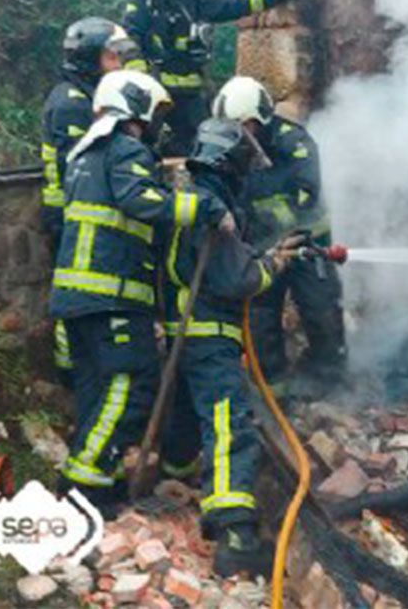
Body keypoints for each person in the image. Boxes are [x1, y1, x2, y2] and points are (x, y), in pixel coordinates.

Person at [51, 70, 232, 513]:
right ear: (137, 105)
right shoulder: (125, 148)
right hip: (111, 296)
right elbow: (141, 201)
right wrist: (204, 206)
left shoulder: (83, 154)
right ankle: (84, 489)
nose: (157, 122)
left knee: (97, 392)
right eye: (156, 111)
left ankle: (101, 477)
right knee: (128, 384)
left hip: (78, 299)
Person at [157, 117, 303, 576]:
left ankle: (174, 477)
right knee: (227, 423)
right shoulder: (213, 208)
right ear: (228, 162)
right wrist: (273, 266)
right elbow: (235, 278)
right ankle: (235, 534)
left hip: (184, 332)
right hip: (209, 333)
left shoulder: (191, 201)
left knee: (186, 411)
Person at [212, 76, 346, 395]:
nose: (234, 136)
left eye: (240, 126)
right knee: (260, 318)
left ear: (254, 120)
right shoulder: (232, 147)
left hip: (307, 244)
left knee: (322, 311)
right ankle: (274, 390)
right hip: (261, 249)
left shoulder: (294, 142)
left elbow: (305, 197)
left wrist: (264, 222)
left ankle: (328, 383)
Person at [122, 0, 299, 156]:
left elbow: (228, 6)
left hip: (193, 95)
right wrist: (144, 84)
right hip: (159, 96)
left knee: (202, 150)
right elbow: (130, 38)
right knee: (153, 151)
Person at [41, 18, 145, 379]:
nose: (117, 63)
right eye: (111, 57)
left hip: (74, 212)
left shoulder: (86, 93)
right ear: (88, 58)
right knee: (73, 293)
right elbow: (79, 163)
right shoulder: (71, 101)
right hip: (67, 214)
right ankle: (69, 373)